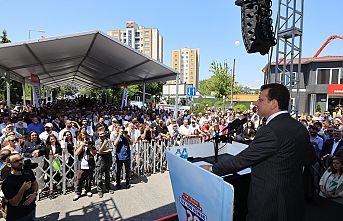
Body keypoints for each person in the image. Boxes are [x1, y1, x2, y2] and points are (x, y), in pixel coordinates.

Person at [201, 83, 316, 221]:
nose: (256, 103)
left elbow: (243, 160)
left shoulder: (270, 130)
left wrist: (212, 168)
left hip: (269, 204)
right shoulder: (300, 127)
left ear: (273, 103)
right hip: (293, 200)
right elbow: (309, 158)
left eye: (260, 99)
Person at [2, 153, 38, 221]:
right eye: (16, 161)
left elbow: (35, 184)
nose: (20, 162)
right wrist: (23, 188)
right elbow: (14, 203)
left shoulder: (28, 172)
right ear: (9, 164)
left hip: (31, 210)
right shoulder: (7, 182)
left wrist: (34, 194)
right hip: (17, 216)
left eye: (21, 159)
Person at [73, 133, 97, 201]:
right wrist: (82, 146)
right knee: (79, 180)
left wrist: (89, 147)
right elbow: (76, 153)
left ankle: (88, 190)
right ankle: (78, 192)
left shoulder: (91, 144)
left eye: (86, 138)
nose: (85, 139)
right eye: (83, 137)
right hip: (80, 165)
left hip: (89, 165)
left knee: (89, 179)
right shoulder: (78, 144)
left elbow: (94, 153)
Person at [95, 130, 114, 198]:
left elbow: (111, 149)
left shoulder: (108, 140)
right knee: (99, 176)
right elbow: (99, 151)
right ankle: (100, 190)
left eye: (103, 133)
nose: (102, 135)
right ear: (98, 135)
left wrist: (104, 151)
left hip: (107, 159)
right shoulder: (97, 141)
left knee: (107, 175)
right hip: (100, 160)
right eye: (100, 134)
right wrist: (104, 144)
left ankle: (108, 188)